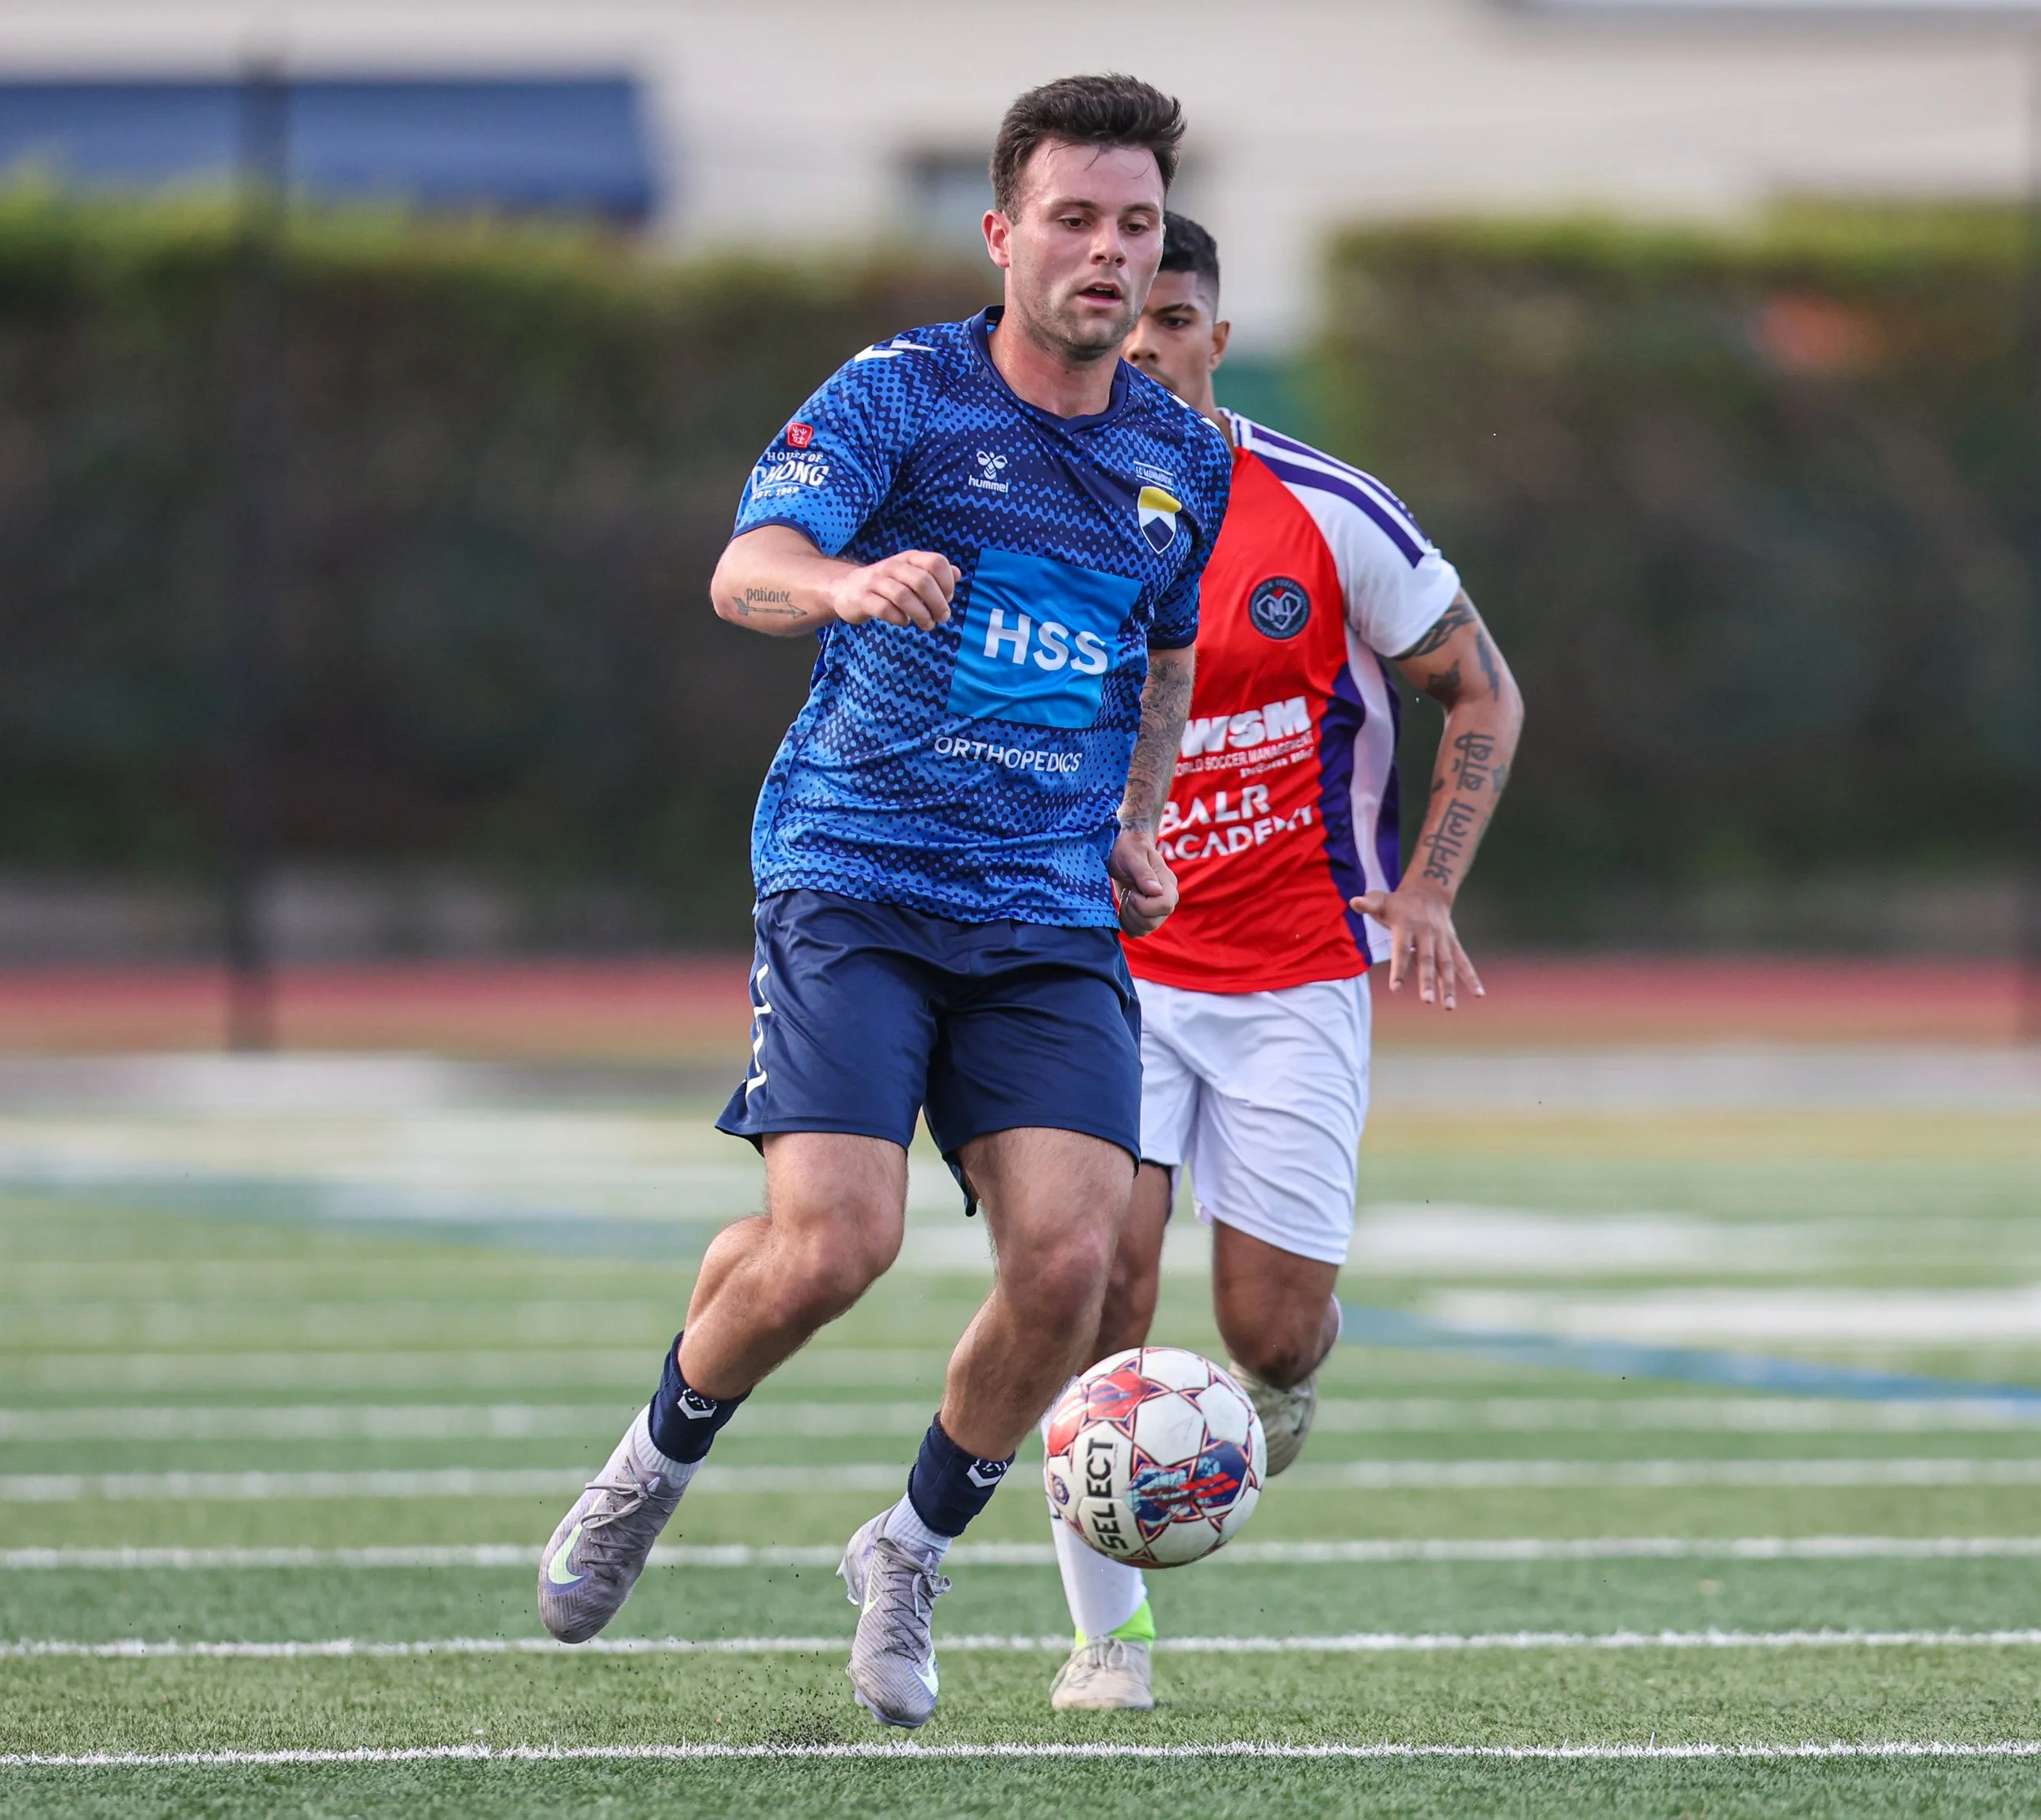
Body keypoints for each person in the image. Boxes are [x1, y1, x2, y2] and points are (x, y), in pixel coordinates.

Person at [534, 77, 1232, 1732]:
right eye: (1072, 218)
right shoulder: (897, 396)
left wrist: (1138, 824)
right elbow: (744, 567)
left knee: (1069, 1265)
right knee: (838, 1244)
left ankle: (907, 1548)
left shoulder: (1175, 455)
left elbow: (1162, 657)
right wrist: (844, 580)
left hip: (1047, 911)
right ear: (1001, 234)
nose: (1106, 252)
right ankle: (645, 1469)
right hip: (853, 880)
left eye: (1134, 225)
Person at [1044, 214, 1524, 1711]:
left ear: (1215, 338)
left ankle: (1281, 1385)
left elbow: (1482, 695)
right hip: (1104, 971)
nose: (1144, 346)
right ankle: (1102, 1642)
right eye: (1120, 322)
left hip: (1295, 972)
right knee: (1091, 1277)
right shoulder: (1034, 506)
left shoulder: (1326, 510)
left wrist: (1428, 892)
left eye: (1172, 318)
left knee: (1268, 1324)